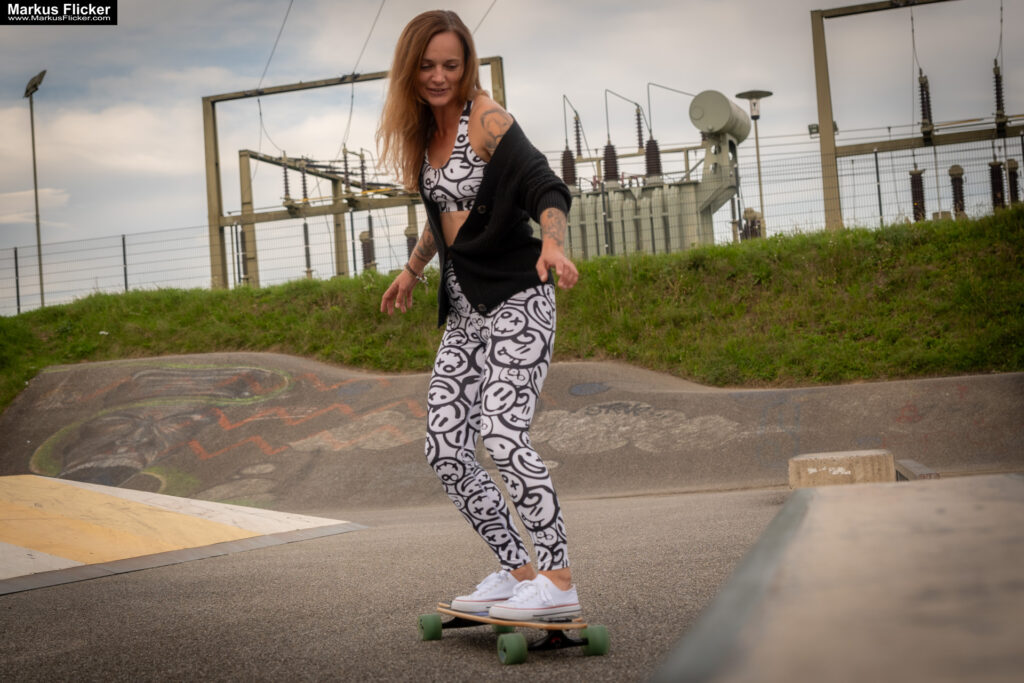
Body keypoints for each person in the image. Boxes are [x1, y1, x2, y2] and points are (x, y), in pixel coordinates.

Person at [377, 9, 581, 621]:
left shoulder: (485, 120)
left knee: (500, 431)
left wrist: (553, 242)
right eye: (427, 64)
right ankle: (518, 572)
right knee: (444, 446)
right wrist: (413, 269)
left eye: (451, 64)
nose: (439, 76)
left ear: (467, 66)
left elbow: (545, 183)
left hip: (520, 297)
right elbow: (446, 214)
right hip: (466, 314)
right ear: (410, 68)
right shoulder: (424, 135)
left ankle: (558, 579)